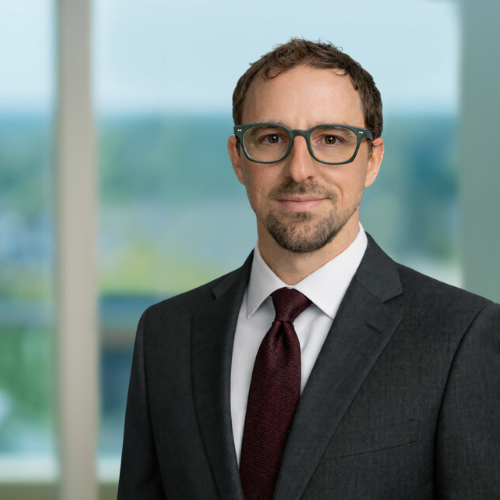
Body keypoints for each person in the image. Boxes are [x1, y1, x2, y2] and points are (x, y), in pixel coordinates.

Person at [117, 39, 500, 500]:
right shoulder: (166, 334)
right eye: (271, 139)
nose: (299, 170)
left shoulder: (460, 335)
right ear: (238, 158)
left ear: (372, 160)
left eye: (331, 140)